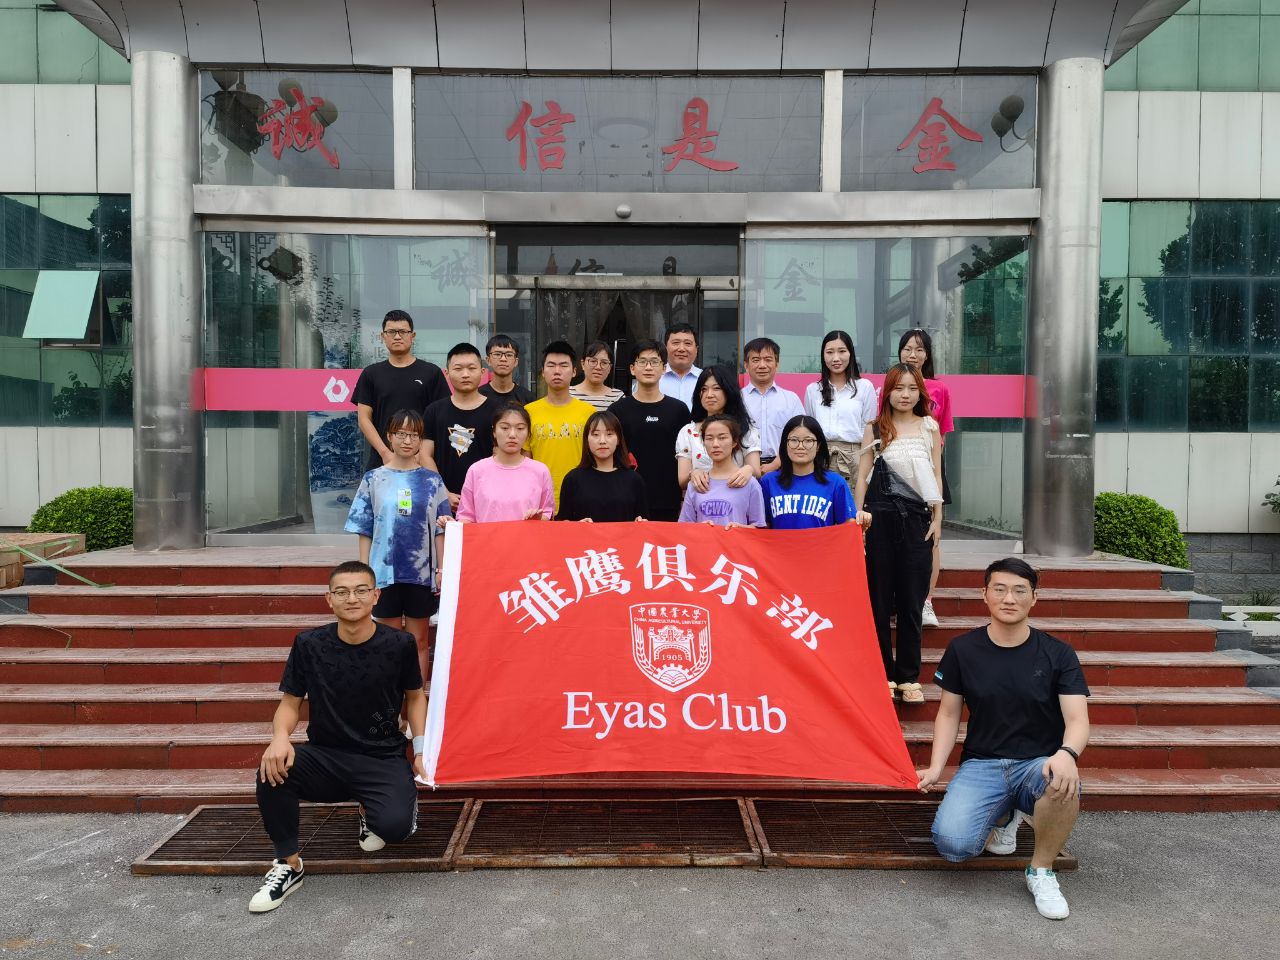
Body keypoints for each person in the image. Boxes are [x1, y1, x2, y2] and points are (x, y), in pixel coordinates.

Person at [917, 557, 1090, 921]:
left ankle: (1041, 871)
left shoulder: (1058, 653)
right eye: (999, 589)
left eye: (1019, 591)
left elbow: (1077, 719)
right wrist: (935, 768)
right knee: (954, 846)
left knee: (1063, 781)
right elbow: (948, 714)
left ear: (1034, 598)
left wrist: (1067, 753)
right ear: (985, 594)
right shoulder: (963, 649)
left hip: (1037, 765)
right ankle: (1005, 815)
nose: (1009, 598)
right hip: (982, 764)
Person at [249, 560, 425, 913]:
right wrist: (279, 737)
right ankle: (288, 865)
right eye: (342, 592)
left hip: (381, 756)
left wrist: (419, 750)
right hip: (326, 755)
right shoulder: (309, 643)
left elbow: (416, 697)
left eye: (361, 591)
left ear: (375, 596)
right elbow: (290, 703)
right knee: (272, 770)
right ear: (329, 599)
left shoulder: (399, 644)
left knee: (395, 828)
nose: (352, 599)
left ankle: (371, 809)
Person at [854, 363, 943, 706]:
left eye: (912, 388)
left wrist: (938, 520)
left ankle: (908, 677)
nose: (905, 394)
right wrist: (858, 519)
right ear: (887, 392)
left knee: (911, 601)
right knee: (878, 600)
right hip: (878, 520)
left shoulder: (930, 428)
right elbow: (862, 477)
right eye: (898, 388)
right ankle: (884, 675)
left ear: (920, 392)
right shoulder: (875, 428)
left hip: (918, 520)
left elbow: (936, 477)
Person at [343, 410, 450, 682]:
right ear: (389, 437)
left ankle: (417, 703)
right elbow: (364, 527)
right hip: (384, 572)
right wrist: (365, 571)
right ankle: (390, 702)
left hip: (421, 574)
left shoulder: (432, 480)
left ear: (421, 440)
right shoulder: (373, 479)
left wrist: (441, 569)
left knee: (419, 641)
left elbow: (441, 529)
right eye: (401, 434)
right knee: (387, 641)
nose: (407, 440)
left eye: (414, 435)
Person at [897, 328, 954, 629]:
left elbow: (942, 435)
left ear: (928, 355)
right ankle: (900, 598)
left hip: (928, 467)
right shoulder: (891, 386)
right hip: (897, 466)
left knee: (930, 537)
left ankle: (926, 601)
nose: (913, 354)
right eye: (907, 348)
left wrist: (934, 472)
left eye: (919, 349)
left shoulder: (939, 389)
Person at [352, 309, 450, 471]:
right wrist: (385, 453)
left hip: (422, 463)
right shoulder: (371, 374)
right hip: (382, 462)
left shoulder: (432, 373)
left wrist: (421, 454)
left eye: (403, 332)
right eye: (391, 332)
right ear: (383, 336)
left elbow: (441, 419)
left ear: (413, 336)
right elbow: (364, 419)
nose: (397, 337)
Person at [607, 340, 690, 522]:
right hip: (625, 496)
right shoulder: (617, 410)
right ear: (632, 369)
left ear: (664, 368)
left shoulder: (679, 410)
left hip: (667, 497)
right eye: (642, 361)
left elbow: (687, 455)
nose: (648, 367)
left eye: (654, 362)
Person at [421, 343, 499, 513]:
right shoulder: (434, 411)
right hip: (443, 503)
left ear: (483, 372)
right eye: (458, 369)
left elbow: (501, 456)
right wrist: (443, 493)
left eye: (471, 368)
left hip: (487, 501)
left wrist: (486, 495)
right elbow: (425, 455)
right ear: (447, 373)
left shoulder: (498, 411)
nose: (465, 374)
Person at [524, 340, 596, 512]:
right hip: (539, 501)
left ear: (574, 371)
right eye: (551, 365)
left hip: (581, 497)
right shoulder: (528, 412)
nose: (557, 371)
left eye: (563, 365)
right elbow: (524, 460)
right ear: (543, 372)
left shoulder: (589, 413)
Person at [762, 415, 869, 530]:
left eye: (808, 441)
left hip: (822, 543)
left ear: (818, 445)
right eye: (793, 440)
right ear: (785, 444)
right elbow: (761, 528)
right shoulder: (768, 482)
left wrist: (862, 521)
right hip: (780, 543)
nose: (800, 446)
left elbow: (849, 527)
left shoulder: (836, 483)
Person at [456, 404, 554, 523]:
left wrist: (538, 518)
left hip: (526, 535)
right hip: (487, 535)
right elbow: (466, 516)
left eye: (520, 428)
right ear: (494, 432)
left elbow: (548, 513)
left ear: (528, 433)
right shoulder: (477, 470)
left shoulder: (540, 471)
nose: (512, 435)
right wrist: (450, 525)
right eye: (505, 428)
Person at [802, 329, 877, 486]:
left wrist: (864, 465)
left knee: (853, 501)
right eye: (830, 352)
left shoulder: (865, 387)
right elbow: (810, 430)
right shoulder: (813, 390)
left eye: (842, 351)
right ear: (823, 355)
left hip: (855, 458)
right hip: (820, 458)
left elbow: (868, 431)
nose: (836, 358)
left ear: (850, 353)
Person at [677, 365, 761, 493]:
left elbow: (756, 471)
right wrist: (694, 473)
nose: (709, 395)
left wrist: (748, 470)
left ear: (729, 391)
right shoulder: (688, 432)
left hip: (737, 497)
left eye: (716, 388)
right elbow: (682, 481)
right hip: (701, 499)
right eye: (704, 389)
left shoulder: (745, 428)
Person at [557, 411, 648, 522]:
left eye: (609, 434)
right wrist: (576, 526)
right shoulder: (573, 479)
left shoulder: (634, 480)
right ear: (586, 440)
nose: (602, 441)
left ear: (618, 439)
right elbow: (563, 523)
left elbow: (644, 521)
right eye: (596, 434)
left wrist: (640, 522)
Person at [678, 415, 766, 528]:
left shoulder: (750, 483)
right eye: (709, 438)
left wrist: (742, 528)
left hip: (736, 540)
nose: (715, 444)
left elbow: (759, 527)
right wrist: (699, 528)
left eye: (722, 438)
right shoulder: (696, 483)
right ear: (703, 442)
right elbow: (683, 527)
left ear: (734, 442)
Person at [741, 337, 804, 475]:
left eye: (768, 359)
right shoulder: (737, 399)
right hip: (744, 470)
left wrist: (776, 464)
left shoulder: (791, 399)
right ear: (746, 365)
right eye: (756, 360)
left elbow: (801, 435)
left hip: (783, 468)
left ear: (777, 364)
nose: (762, 365)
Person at [479, 334, 535, 406]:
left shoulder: (528, 398)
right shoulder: (478, 395)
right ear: (488, 360)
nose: (503, 359)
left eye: (509, 355)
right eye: (497, 354)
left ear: (516, 362)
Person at [570, 340, 626, 412]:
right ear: (583, 364)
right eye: (593, 361)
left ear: (610, 368)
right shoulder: (567, 394)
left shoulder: (618, 398)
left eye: (604, 363)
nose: (598, 367)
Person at [658, 322, 702, 409]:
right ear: (665, 347)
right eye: (676, 343)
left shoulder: (705, 378)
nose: (681, 349)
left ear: (696, 350)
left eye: (688, 343)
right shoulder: (654, 377)